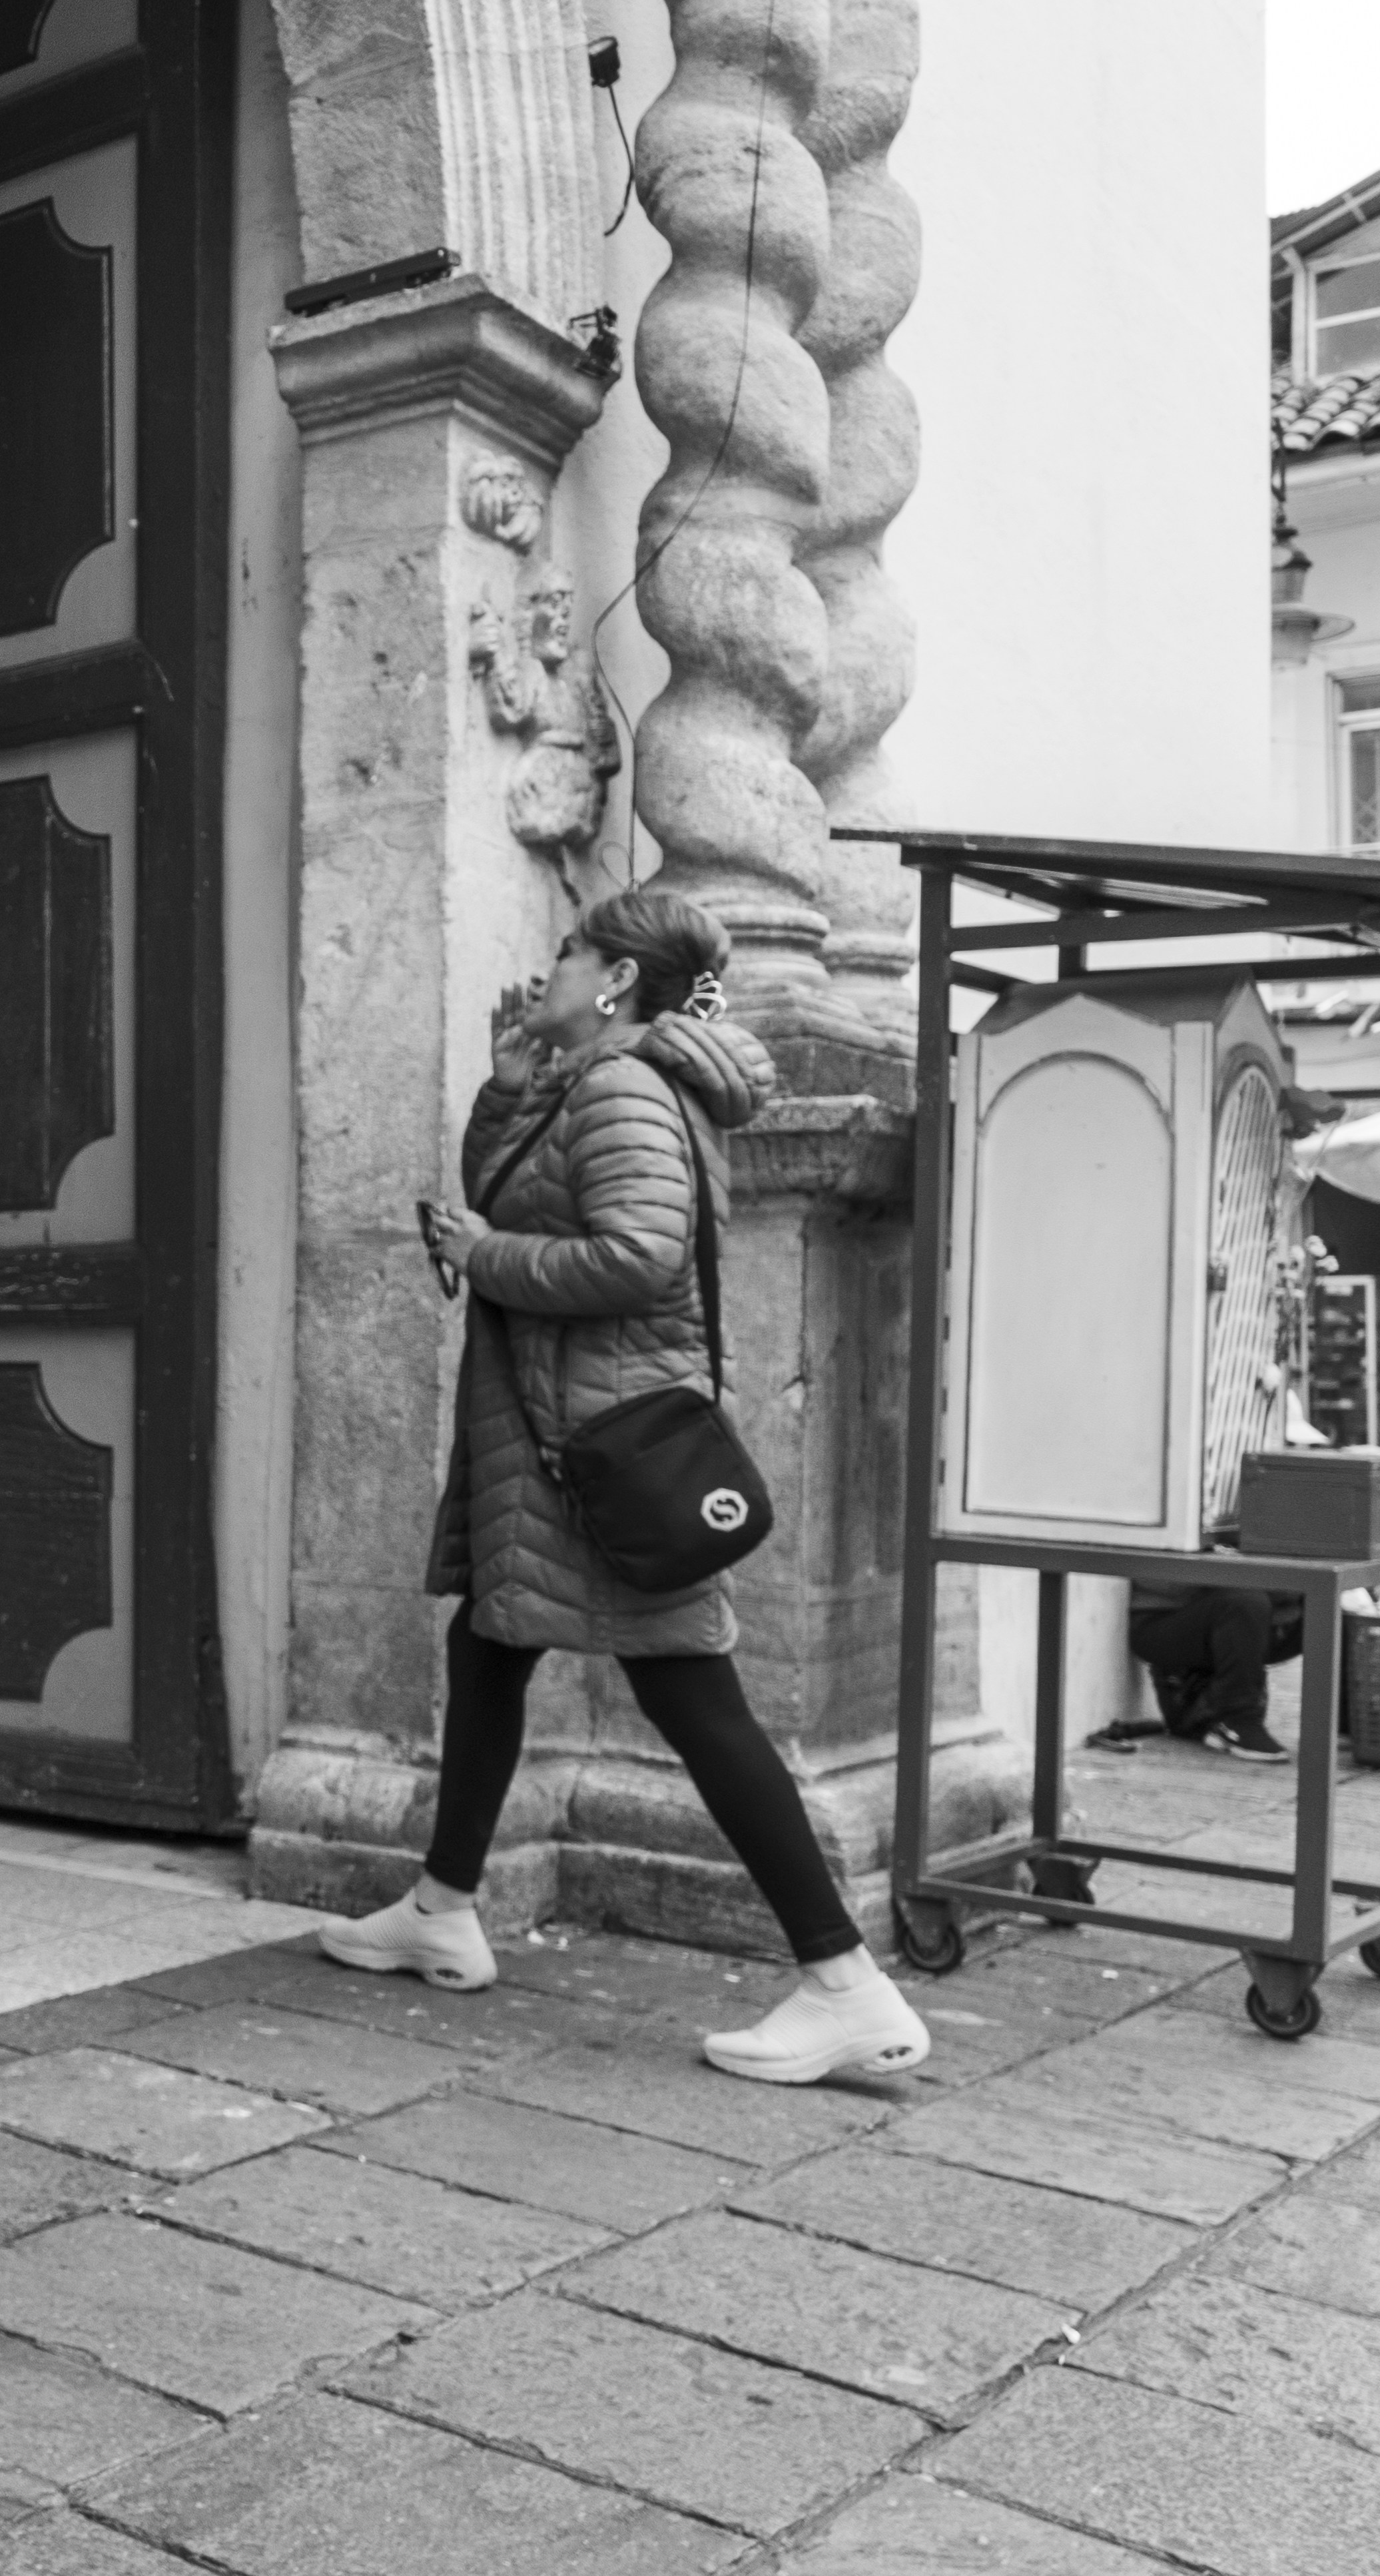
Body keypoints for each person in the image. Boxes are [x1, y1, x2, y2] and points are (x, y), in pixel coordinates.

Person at [318, 887, 931, 2086]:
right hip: (555, 1433)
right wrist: (508, 1087)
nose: (545, 967)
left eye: (568, 951)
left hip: (597, 1445)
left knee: (694, 1698)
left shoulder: (623, 1088)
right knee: (490, 1642)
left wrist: (483, 1255)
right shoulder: (584, 1080)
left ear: (614, 981)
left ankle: (845, 1983)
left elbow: (638, 1257)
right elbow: (523, 1190)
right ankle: (442, 1907)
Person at [1106, 1582, 1293, 1760]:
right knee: (1244, 1602)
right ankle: (1237, 1720)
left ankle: (1312, 1729)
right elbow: (1167, 1585)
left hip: (1230, 1613)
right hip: (1160, 1619)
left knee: (1308, 1602)